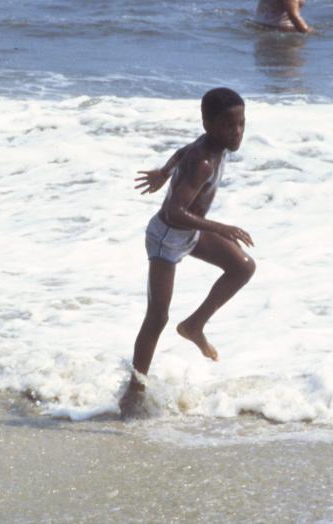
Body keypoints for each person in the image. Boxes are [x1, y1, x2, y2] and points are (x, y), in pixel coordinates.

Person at [119, 88, 255, 419]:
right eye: (227, 126)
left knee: (242, 267)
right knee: (157, 316)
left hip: (190, 234)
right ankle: (134, 392)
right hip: (166, 237)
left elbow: (182, 151)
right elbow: (175, 212)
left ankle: (194, 325)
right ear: (208, 123)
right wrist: (220, 227)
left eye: (240, 124)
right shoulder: (205, 162)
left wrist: (164, 172)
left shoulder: (211, 146)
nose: (235, 132)